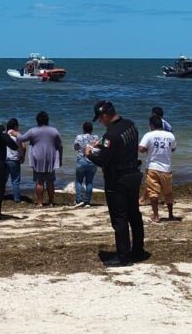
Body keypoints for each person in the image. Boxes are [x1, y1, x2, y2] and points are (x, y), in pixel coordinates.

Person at [85, 100, 145, 267]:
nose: (100, 122)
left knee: (119, 218)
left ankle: (123, 256)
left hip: (117, 180)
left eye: (100, 119)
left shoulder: (110, 135)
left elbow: (102, 160)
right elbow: (122, 146)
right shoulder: (130, 125)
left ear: (105, 116)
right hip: (133, 174)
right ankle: (138, 250)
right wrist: (103, 144)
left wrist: (89, 153)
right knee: (134, 214)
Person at [17, 111, 63, 207]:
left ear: (37, 121)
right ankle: (51, 202)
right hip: (50, 157)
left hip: (37, 157)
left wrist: (15, 133)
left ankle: (40, 202)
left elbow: (21, 139)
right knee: (50, 181)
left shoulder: (33, 131)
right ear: (47, 120)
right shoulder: (54, 131)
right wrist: (60, 159)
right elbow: (60, 146)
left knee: (39, 181)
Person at [139, 116, 177, 223]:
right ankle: (170, 215)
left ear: (151, 125)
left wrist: (148, 148)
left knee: (153, 193)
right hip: (166, 168)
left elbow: (141, 149)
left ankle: (156, 216)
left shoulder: (149, 135)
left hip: (152, 167)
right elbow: (173, 148)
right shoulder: (170, 135)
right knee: (168, 192)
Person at [73, 121, 99, 208]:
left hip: (81, 161)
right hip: (92, 161)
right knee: (89, 182)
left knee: (79, 181)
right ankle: (87, 202)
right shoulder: (95, 137)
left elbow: (76, 148)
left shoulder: (79, 137)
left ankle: (79, 200)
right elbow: (98, 147)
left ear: (83, 129)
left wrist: (82, 146)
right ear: (92, 129)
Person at [5, 118, 26, 203]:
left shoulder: (4, 134)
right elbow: (24, 147)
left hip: (4, 160)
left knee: (3, 180)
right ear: (15, 126)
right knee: (15, 181)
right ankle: (17, 199)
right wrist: (23, 156)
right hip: (14, 160)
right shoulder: (17, 135)